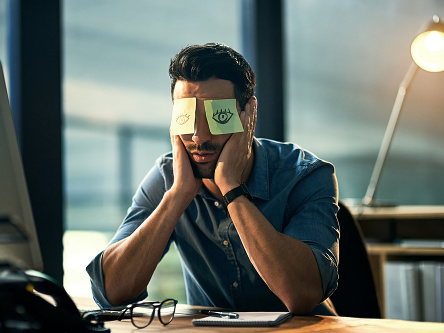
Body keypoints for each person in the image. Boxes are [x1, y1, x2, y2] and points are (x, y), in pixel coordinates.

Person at [87, 43, 339, 315]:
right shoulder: (167, 178)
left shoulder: (305, 175)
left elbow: (302, 295)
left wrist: (232, 189)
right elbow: (110, 295)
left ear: (248, 114)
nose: (199, 137)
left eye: (218, 117)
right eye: (187, 118)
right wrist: (177, 196)